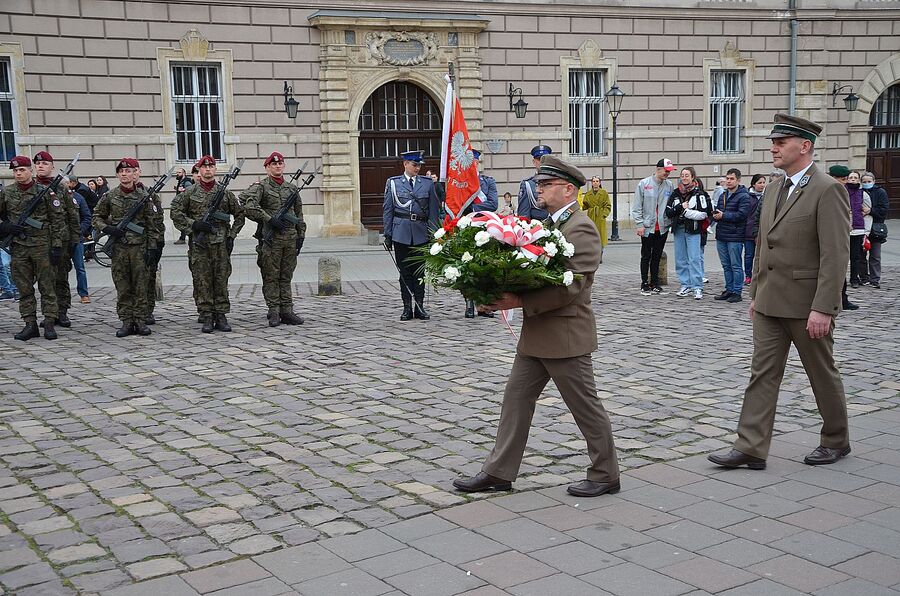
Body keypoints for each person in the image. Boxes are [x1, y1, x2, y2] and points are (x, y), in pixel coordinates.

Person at [453, 155, 620, 498]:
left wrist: (518, 301)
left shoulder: (582, 227)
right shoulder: (552, 225)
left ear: (568, 189)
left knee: (585, 407)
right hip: (538, 334)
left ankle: (605, 473)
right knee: (515, 398)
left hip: (565, 335)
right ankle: (499, 472)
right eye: (540, 183)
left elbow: (572, 287)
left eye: (546, 184)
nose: (538, 188)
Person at [708, 113, 852, 470]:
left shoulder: (827, 189)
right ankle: (751, 446)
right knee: (762, 374)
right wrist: (756, 291)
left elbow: (835, 254)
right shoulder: (773, 188)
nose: (773, 148)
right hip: (771, 301)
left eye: (780, 142)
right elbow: (762, 246)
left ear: (805, 147)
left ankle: (836, 439)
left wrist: (825, 307)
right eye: (773, 142)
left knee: (821, 373)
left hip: (806, 306)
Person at [171, 156, 244, 332]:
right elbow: (175, 212)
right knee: (202, 280)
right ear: (199, 170)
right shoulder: (189, 193)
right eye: (204, 167)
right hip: (199, 244)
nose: (208, 169)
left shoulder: (225, 193)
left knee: (221, 279)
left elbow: (240, 215)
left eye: (211, 166)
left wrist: (231, 236)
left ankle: (221, 315)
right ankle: (206, 315)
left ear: (216, 169)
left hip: (220, 244)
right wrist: (193, 225)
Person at [92, 158, 160, 337]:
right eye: (121, 171)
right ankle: (126, 322)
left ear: (134, 173)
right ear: (117, 174)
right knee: (123, 286)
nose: (124, 174)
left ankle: (140, 320)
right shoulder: (110, 196)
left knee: (141, 285)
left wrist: (152, 248)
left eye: (128, 171)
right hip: (119, 248)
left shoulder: (144, 197)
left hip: (139, 248)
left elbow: (152, 224)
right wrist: (108, 228)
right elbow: (96, 217)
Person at [0, 156, 64, 340]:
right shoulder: (7, 192)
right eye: (15, 171)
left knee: (47, 286)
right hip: (19, 247)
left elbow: (57, 221)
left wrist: (57, 247)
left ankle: (50, 323)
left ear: (30, 171)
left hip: (42, 246)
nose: (18, 174)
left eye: (22, 170)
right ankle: (30, 324)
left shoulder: (45, 192)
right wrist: (5, 227)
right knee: (24, 287)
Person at [241, 152, 307, 327]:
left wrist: (301, 235)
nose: (278, 166)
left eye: (280, 164)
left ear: (284, 166)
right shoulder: (261, 187)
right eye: (274, 164)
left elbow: (298, 213)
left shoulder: (291, 188)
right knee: (271, 276)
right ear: (267, 167)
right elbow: (248, 206)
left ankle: (287, 310)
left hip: (290, 238)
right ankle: (274, 310)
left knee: (286, 276)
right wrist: (269, 219)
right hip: (271, 240)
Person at [382, 150, 441, 321]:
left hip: (421, 233)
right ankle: (407, 307)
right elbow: (388, 210)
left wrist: (433, 234)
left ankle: (420, 307)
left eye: (419, 165)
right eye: (414, 165)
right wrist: (388, 234)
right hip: (401, 233)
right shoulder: (394, 183)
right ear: (405, 164)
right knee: (405, 273)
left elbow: (433, 211)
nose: (417, 168)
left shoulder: (427, 183)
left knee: (419, 273)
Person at [34, 151, 81, 328]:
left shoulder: (61, 188)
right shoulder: (31, 187)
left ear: (52, 167)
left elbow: (72, 215)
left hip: (61, 241)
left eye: (45, 163)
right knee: (44, 280)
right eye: (38, 164)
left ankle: (62, 312)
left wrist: (75, 240)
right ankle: (49, 314)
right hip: (37, 242)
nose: (40, 166)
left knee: (61, 278)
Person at [664, 167, 711, 300]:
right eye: (682, 175)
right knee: (680, 259)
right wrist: (680, 208)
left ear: (693, 178)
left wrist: (686, 212)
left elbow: (704, 213)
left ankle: (697, 287)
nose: (684, 178)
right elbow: (669, 211)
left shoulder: (699, 194)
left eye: (687, 175)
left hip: (693, 230)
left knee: (694, 258)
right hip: (678, 229)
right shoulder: (676, 193)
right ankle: (685, 284)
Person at [631, 158, 675, 295]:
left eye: (669, 172)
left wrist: (670, 223)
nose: (667, 174)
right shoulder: (644, 184)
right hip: (647, 226)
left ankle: (654, 283)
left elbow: (671, 205)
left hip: (662, 227)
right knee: (646, 255)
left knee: (657, 255)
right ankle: (644, 283)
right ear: (658, 169)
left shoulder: (669, 185)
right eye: (666, 171)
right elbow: (637, 207)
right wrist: (639, 224)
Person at [463, 149, 498, 319]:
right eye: (470, 163)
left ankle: (484, 305)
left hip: (485, 227)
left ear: (478, 163)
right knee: (468, 266)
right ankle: (470, 303)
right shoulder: (461, 184)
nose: (473, 165)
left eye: (475, 162)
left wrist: (471, 209)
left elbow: (493, 204)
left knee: (485, 266)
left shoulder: (488, 182)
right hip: (467, 229)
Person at [134, 166, 165, 325]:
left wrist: (159, 242)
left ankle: (148, 311)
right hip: (126, 245)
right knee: (128, 280)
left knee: (148, 278)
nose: (130, 174)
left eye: (134, 170)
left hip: (147, 244)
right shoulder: (113, 196)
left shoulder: (151, 195)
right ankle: (131, 313)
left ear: (139, 172)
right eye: (125, 171)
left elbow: (159, 219)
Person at [712, 168, 750, 303]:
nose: (728, 181)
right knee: (726, 265)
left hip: (735, 235)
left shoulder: (744, 196)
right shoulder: (723, 194)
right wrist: (716, 215)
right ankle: (729, 289)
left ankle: (737, 291)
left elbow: (742, 215)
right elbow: (720, 210)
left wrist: (723, 215)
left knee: (736, 265)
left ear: (738, 180)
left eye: (731, 179)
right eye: (727, 178)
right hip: (722, 234)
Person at [827, 165, 859, 311]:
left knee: (840, 269)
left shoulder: (842, 191)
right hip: (831, 237)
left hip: (843, 234)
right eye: (843, 179)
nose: (846, 182)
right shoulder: (830, 191)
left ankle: (843, 299)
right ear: (834, 178)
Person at [861, 171, 888, 289]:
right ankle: (863, 277)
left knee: (875, 255)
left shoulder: (880, 192)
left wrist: (870, 211)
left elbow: (883, 210)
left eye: (869, 181)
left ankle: (875, 279)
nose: (867, 183)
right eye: (864, 182)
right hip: (861, 227)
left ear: (874, 181)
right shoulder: (859, 192)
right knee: (861, 255)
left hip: (876, 228)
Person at [845, 170, 869, 288]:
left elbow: (868, 210)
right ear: (847, 179)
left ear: (859, 180)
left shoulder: (863, 194)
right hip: (844, 229)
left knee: (855, 257)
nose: (853, 179)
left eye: (855, 177)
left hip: (858, 228)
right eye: (851, 177)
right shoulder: (842, 191)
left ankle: (854, 279)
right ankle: (841, 280)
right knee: (842, 257)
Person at [69, 182, 92, 304]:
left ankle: (84, 293)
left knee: (80, 267)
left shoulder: (78, 197)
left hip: (76, 238)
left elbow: (87, 217)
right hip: (60, 239)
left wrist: (79, 230)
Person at [516, 145, 552, 222]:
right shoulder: (528, 185)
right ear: (534, 162)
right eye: (539, 159)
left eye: (545, 159)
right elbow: (524, 216)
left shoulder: (558, 182)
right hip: (537, 229)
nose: (542, 162)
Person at [582, 176, 611, 262]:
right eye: (593, 181)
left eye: (597, 181)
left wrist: (603, 215)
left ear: (600, 183)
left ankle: (600, 255)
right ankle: (592, 255)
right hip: (591, 217)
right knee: (591, 236)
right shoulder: (588, 194)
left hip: (600, 218)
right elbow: (585, 205)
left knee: (600, 237)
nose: (595, 183)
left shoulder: (604, 193)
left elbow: (608, 206)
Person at [744, 174, 766, 285]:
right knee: (749, 255)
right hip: (749, 230)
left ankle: (759, 275)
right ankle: (748, 275)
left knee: (762, 255)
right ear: (753, 184)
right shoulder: (747, 196)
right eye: (759, 183)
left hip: (762, 230)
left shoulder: (767, 195)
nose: (762, 185)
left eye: (763, 182)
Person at [173, 167, 194, 245]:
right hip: (182, 204)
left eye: (179, 172)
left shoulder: (187, 182)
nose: (177, 174)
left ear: (183, 173)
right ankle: (183, 237)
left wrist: (183, 190)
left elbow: (190, 191)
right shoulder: (181, 181)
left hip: (185, 205)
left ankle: (183, 238)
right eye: (177, 172)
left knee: (184, 221)